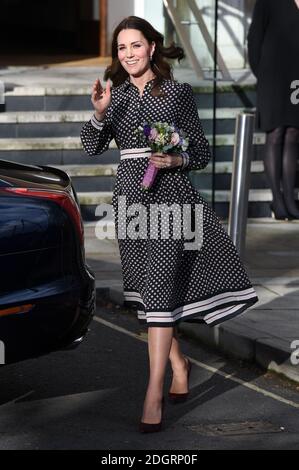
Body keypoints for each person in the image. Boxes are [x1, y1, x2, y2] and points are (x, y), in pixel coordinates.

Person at [80, 16, 259, 433]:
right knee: (147, 296)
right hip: (129, 201)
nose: (128, 55)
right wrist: (98, 113)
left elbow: (199, 150)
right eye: (122, 48)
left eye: (136, 46)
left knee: (159, 289)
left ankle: (153, 392)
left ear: (152, 47)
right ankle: (179, 362)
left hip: (170, 199)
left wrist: (176, 159)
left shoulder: (177, 92)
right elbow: (90, 147)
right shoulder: (115, 96)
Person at [247, 0, 299, 220]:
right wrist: (262, 73)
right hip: (273, 76)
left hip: (297, 76)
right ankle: (276, 200)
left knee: (294, 132)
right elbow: (254, 37)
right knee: (276, 132)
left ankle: (289, 198)